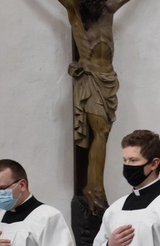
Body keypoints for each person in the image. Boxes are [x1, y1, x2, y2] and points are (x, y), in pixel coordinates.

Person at [56, 0, 132, 213]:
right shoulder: (76, 13)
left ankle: (94, 185)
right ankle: (94, 188)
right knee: (101, 131)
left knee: (103, 134)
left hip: (109, 81)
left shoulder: (108, 10)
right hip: (91, 81)